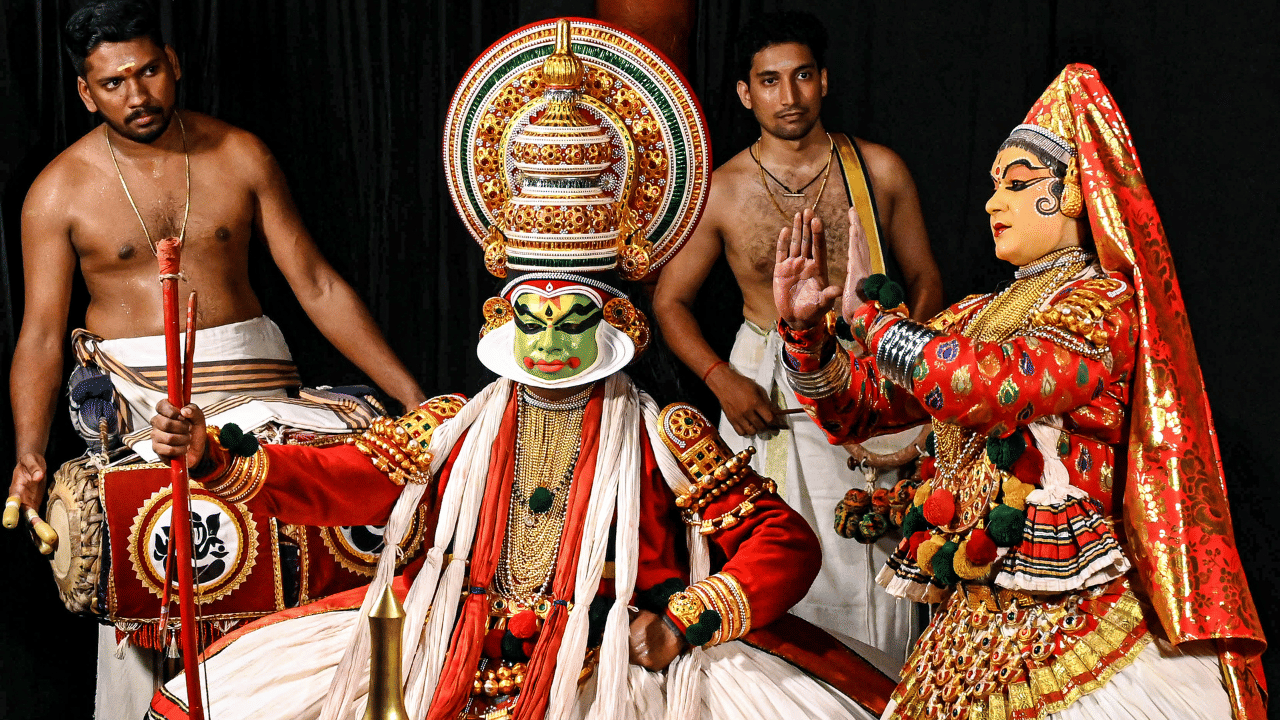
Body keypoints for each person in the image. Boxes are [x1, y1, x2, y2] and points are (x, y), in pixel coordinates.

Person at [143, 20, 894, 720]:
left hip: (613, 665)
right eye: (530, 316)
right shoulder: (455, 425)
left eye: (572, 318)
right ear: (501, 317)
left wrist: (684, 620)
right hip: (453, 643)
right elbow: (337, 479)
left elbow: (784, 543)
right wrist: (212, 455)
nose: (548, 341)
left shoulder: (667, 436)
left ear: (616, 322)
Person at [773, 64, 1266, 719]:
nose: (991, 204)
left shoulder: (1103, 304)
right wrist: (806, 335)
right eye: (991, 187)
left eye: (1015, 185)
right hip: (971, 616)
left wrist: (876, 323)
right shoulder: (975, 315)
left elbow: (996, 385)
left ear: (1070, 193)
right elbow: (859, 409)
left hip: (1075, 609)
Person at [4, 1, 425, 717]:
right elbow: (42, 336)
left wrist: (412, 398)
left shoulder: (239, 155)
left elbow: (316, 285)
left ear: (174, 62)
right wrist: (29, 454)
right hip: (143, 408)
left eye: (147, 72)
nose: (136, 96)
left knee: (298, 570)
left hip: (261, 387)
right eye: (113, 84)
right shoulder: (58, 191)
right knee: (161, 588)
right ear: (85, 92)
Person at [653, 10, 942, 664]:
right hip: (765, 392)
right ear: (744, 93)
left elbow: (925, 277)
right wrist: (720, 379)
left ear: (825, 80)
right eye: (771, 80)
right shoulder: (722, 190)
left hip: (868, 388)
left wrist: (903, 354)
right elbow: (670, 303)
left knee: (872, 558)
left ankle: (878, 690)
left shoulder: (879, 171)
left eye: (803, 76)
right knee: (774, 554)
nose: (789, 96)